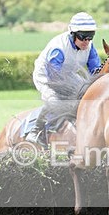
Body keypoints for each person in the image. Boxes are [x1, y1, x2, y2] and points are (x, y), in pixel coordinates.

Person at [26, 11, 101, 144]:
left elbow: (96, 70)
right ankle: (35, 131)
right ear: (73, 34)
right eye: (83, 37)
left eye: (90, 37)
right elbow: (55, 78)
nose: (87, 41)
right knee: (54, 100)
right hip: (48, 76)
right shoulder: (58, 48)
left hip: (69, 74)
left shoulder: (89, 46)